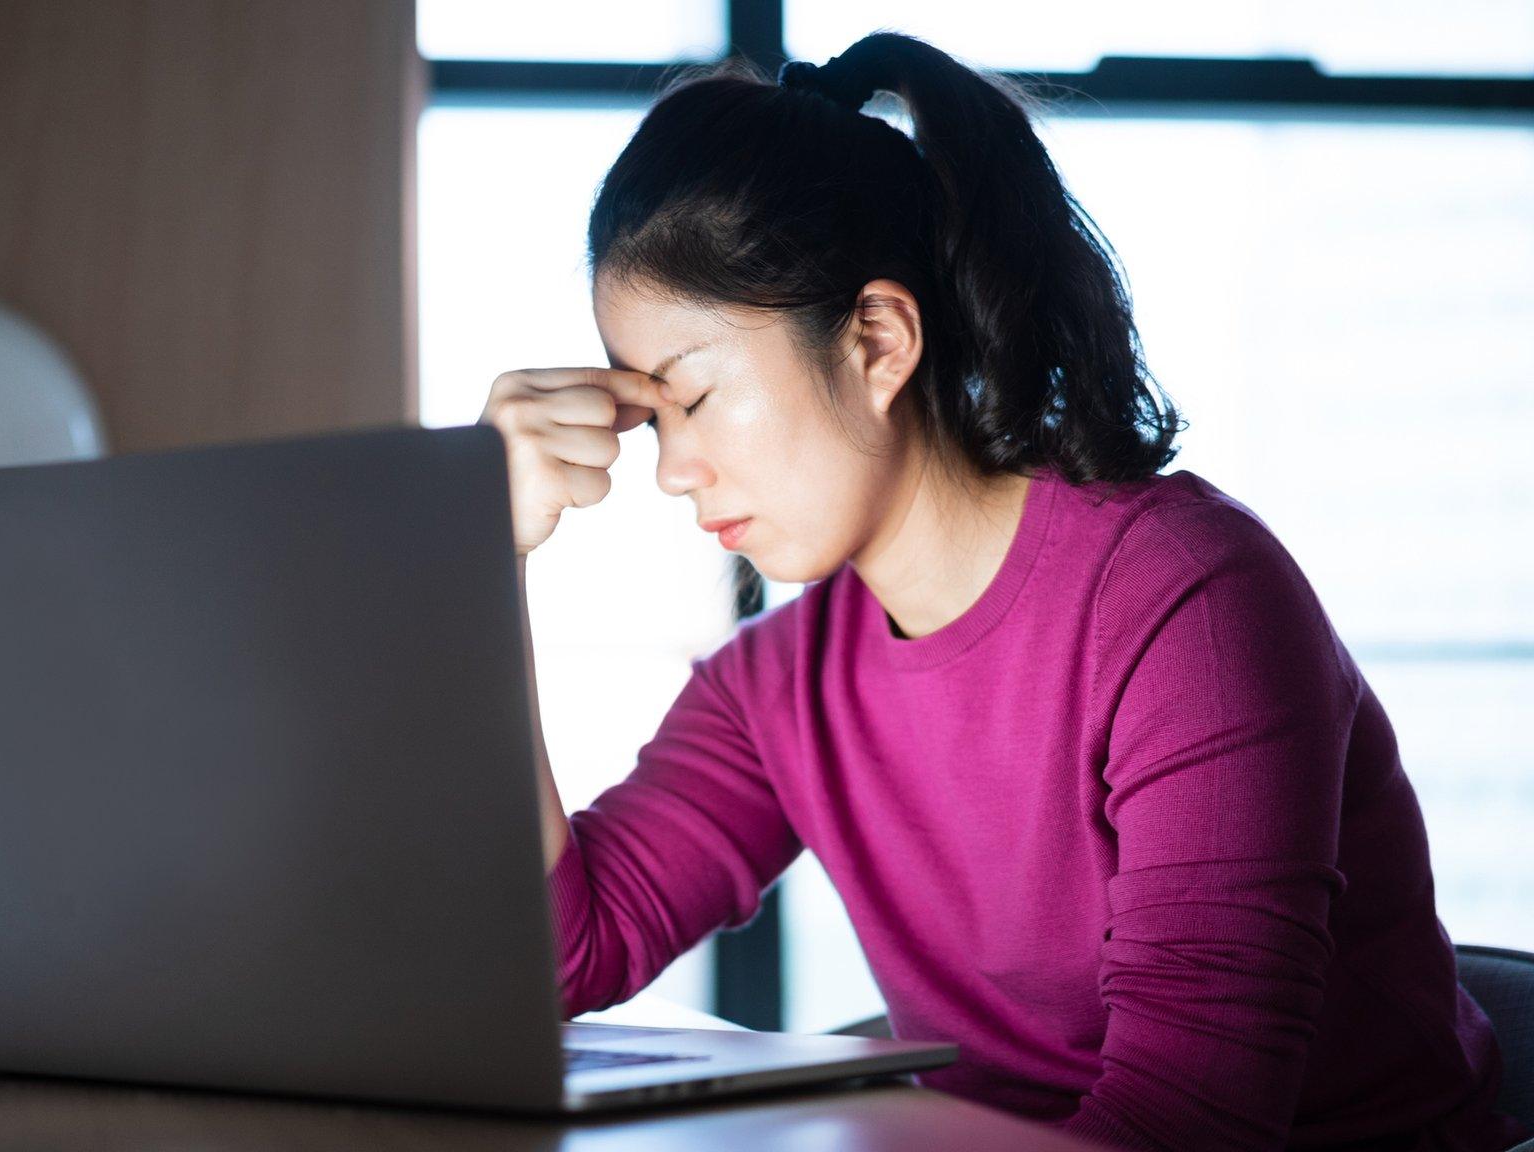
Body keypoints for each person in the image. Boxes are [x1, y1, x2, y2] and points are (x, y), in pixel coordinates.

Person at [477, 31, 1527, 1152]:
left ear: (877, 341)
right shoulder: (776, 686)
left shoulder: (1184, 601)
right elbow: (561, 959)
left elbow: (1189, 1127)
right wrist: (481, 563)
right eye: (648, 418)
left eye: (691, 399)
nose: (669, 470)